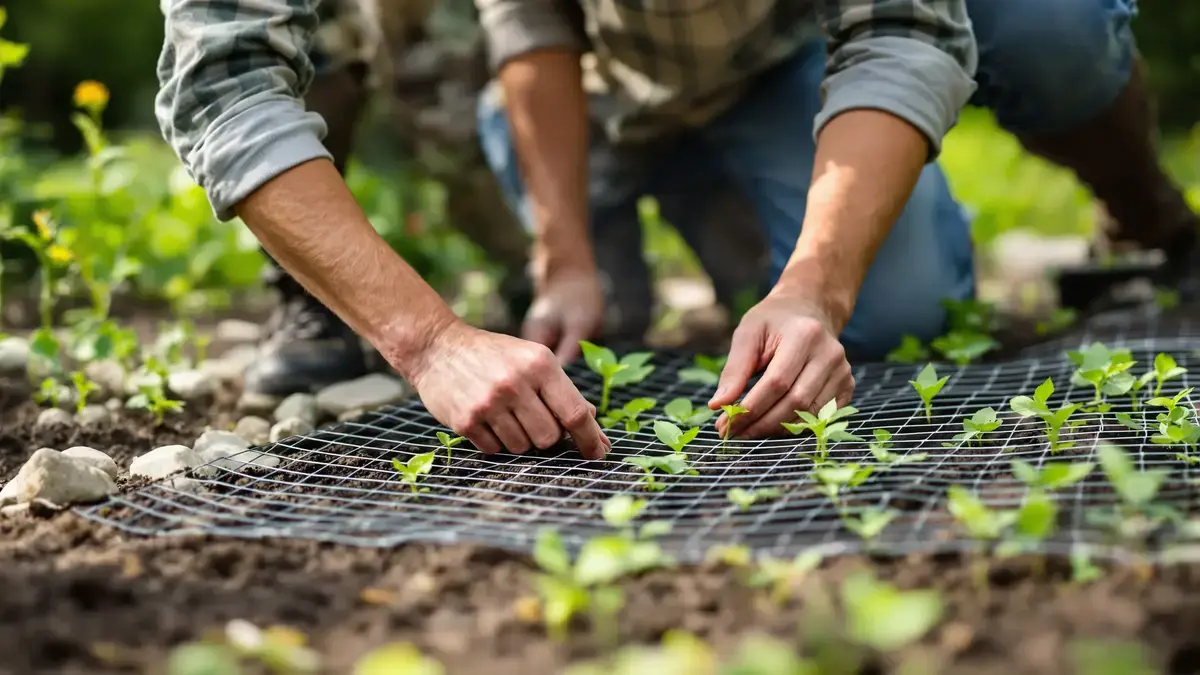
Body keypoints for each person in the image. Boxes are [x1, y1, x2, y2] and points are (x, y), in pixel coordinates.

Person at [155, 0, 1195, 458]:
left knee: (897, 313)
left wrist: (814, 286)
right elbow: (225, 81)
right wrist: (440, 333)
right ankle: (669, 199)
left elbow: (901, 27)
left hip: (772, 60)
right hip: (602, 95)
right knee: (602, 311)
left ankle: (1145, 219)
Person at [249, 0, 766, 398]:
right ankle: (311, 295)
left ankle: (545, 262)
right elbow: (238, 98)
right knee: (608, 321)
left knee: (789, 305)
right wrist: (432, 344)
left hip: (728, 79)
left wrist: (805, 288)